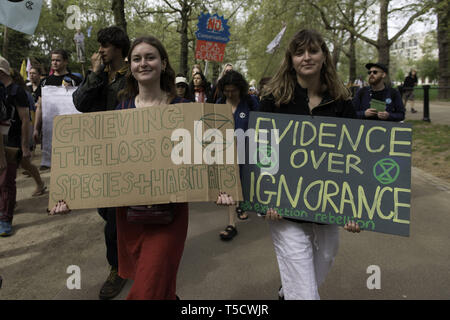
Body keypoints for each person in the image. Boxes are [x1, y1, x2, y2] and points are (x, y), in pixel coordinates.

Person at [50, 35, 236, 299]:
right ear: (130, 65)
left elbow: (208, 157)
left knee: (147, 288)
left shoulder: (184, 108)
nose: (143, 63)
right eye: (137, 59)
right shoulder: (120, 109)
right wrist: (68, 194)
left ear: (163, 63)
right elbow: (100, 160)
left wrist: (221, 187)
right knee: (156, 282)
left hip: (169, 215)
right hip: (130, 216)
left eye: (150, 57)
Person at [259, 29, 361, 300]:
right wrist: (266, 198)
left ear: (324, 56)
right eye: (299, 52)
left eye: (313, 51)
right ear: (290, 59)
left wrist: (357, 208)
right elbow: (262, 151)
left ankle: (288, 290)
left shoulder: (341, 102)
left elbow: (355, 156)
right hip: (284, 206)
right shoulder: (273, 100)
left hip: (328, 202)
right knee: (304, 291)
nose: (306, 57)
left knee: (326, 254)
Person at [72, 25, 130, 300]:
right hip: (100, 155)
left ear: (117, 47)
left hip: (127, 155)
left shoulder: (130, 77)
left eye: (104, 46)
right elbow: (79, 103)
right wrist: (94, 73)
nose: (99, 51)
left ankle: (117, 268)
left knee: (115, 219)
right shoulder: (97, 75)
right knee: (107, 212)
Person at [216, 70, 260, 240]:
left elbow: (262, 123)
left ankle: (243, 205)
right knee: (230, 185)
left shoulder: (250, 102)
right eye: (226, 90)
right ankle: (231, 223)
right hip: (226, 152)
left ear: (240, 88)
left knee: (245, 182)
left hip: (248, 151)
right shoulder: (219, 103)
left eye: (233, 90)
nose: (229, 93)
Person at [33, 49, 82, 171]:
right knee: (52, 166)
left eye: (58, 60)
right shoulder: (44, 82)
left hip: (72, 129)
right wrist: (36, 128)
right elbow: (40, 106)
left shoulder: (75, 80)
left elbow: (83, 104)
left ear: (65, 62)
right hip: (50, 130)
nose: (54, 63)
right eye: (53, 60)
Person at [0, 57, 32, 237]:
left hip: (11, 142)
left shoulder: (16, 91)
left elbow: (25, 119)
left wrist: (25, 146)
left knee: (6, 183)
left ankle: (5, 219)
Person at [10, 69, 46, 197]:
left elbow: (29, 114)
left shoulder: (21, 92)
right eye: (29, 73)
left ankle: (40, 183)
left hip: (19, 132)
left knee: (24, 162)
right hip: (7, 134)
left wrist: (27, 141)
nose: (31, 75)